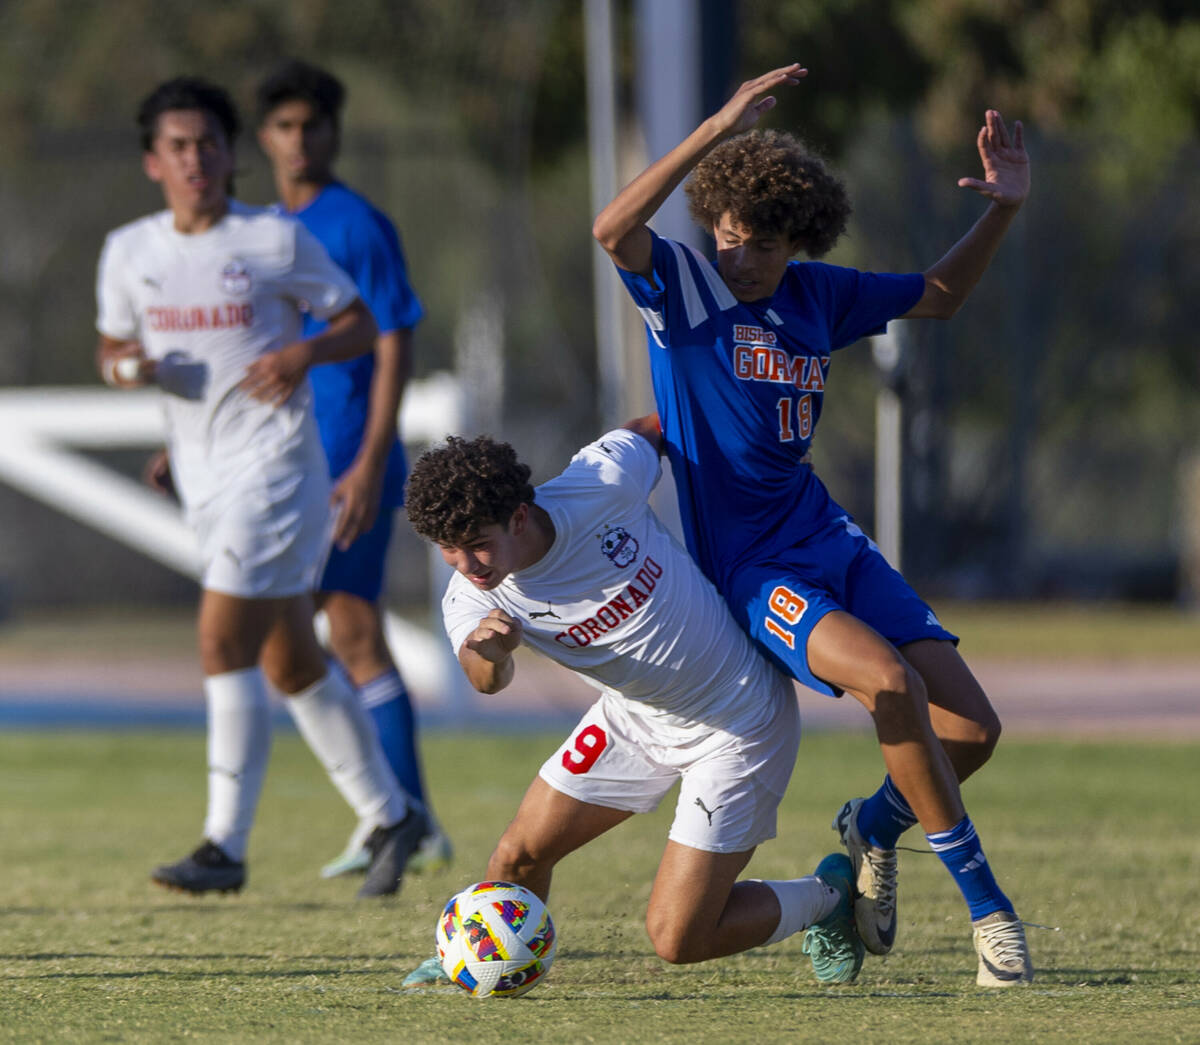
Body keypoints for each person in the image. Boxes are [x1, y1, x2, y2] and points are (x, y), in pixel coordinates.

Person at [593, 64, 1034, 986]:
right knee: (884, 681)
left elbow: (941, 296)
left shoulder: (817, 295)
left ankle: (871, 825)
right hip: (752, 568)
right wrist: (716, 126)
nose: (738, 257)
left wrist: (1003, 208)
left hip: (827, 537)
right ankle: (990, 913)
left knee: (973, 728)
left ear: (798, 241)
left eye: (759, 244)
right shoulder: (681, 289)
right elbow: (611, 228)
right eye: (727, 236)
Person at [96, 76, 427, 898]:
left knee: (221, 640)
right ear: (152, 162)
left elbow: (359, 322)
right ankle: (392, 811)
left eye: (208, 143)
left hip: (277, 467)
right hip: (203, 476)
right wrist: (132, 370)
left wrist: (299, 356)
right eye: (178, 146)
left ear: (227, 153)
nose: (196, 158)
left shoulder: (272, 240)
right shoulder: (129, 251)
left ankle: (224, 844)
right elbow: (109, 351)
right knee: (291, 659)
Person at [399, 419, 864, 989]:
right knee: (516, 860)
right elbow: (484, 680)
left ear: (519, 516)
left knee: (678, 937)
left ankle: (828, 897)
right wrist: (489, 652)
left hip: (738, 723)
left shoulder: (600, 482)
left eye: (477, 545)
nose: (467, 566)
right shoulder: (472, 595)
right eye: (449, 550)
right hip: (633, 718)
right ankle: (471, 958)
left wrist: (762, 446)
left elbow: (663, 418)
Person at [253, 59, 451, 879]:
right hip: (277, 465)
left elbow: (393, 339)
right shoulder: (256, 228)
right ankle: (401, 816)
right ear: (264, 137)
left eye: (314, 125)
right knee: (290, 636)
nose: (301, 140)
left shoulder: (357, 225)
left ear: (333, 133)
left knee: (352, 634)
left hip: (343, 464)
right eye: (285, 126)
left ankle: (401, 816)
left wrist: (373, 461)